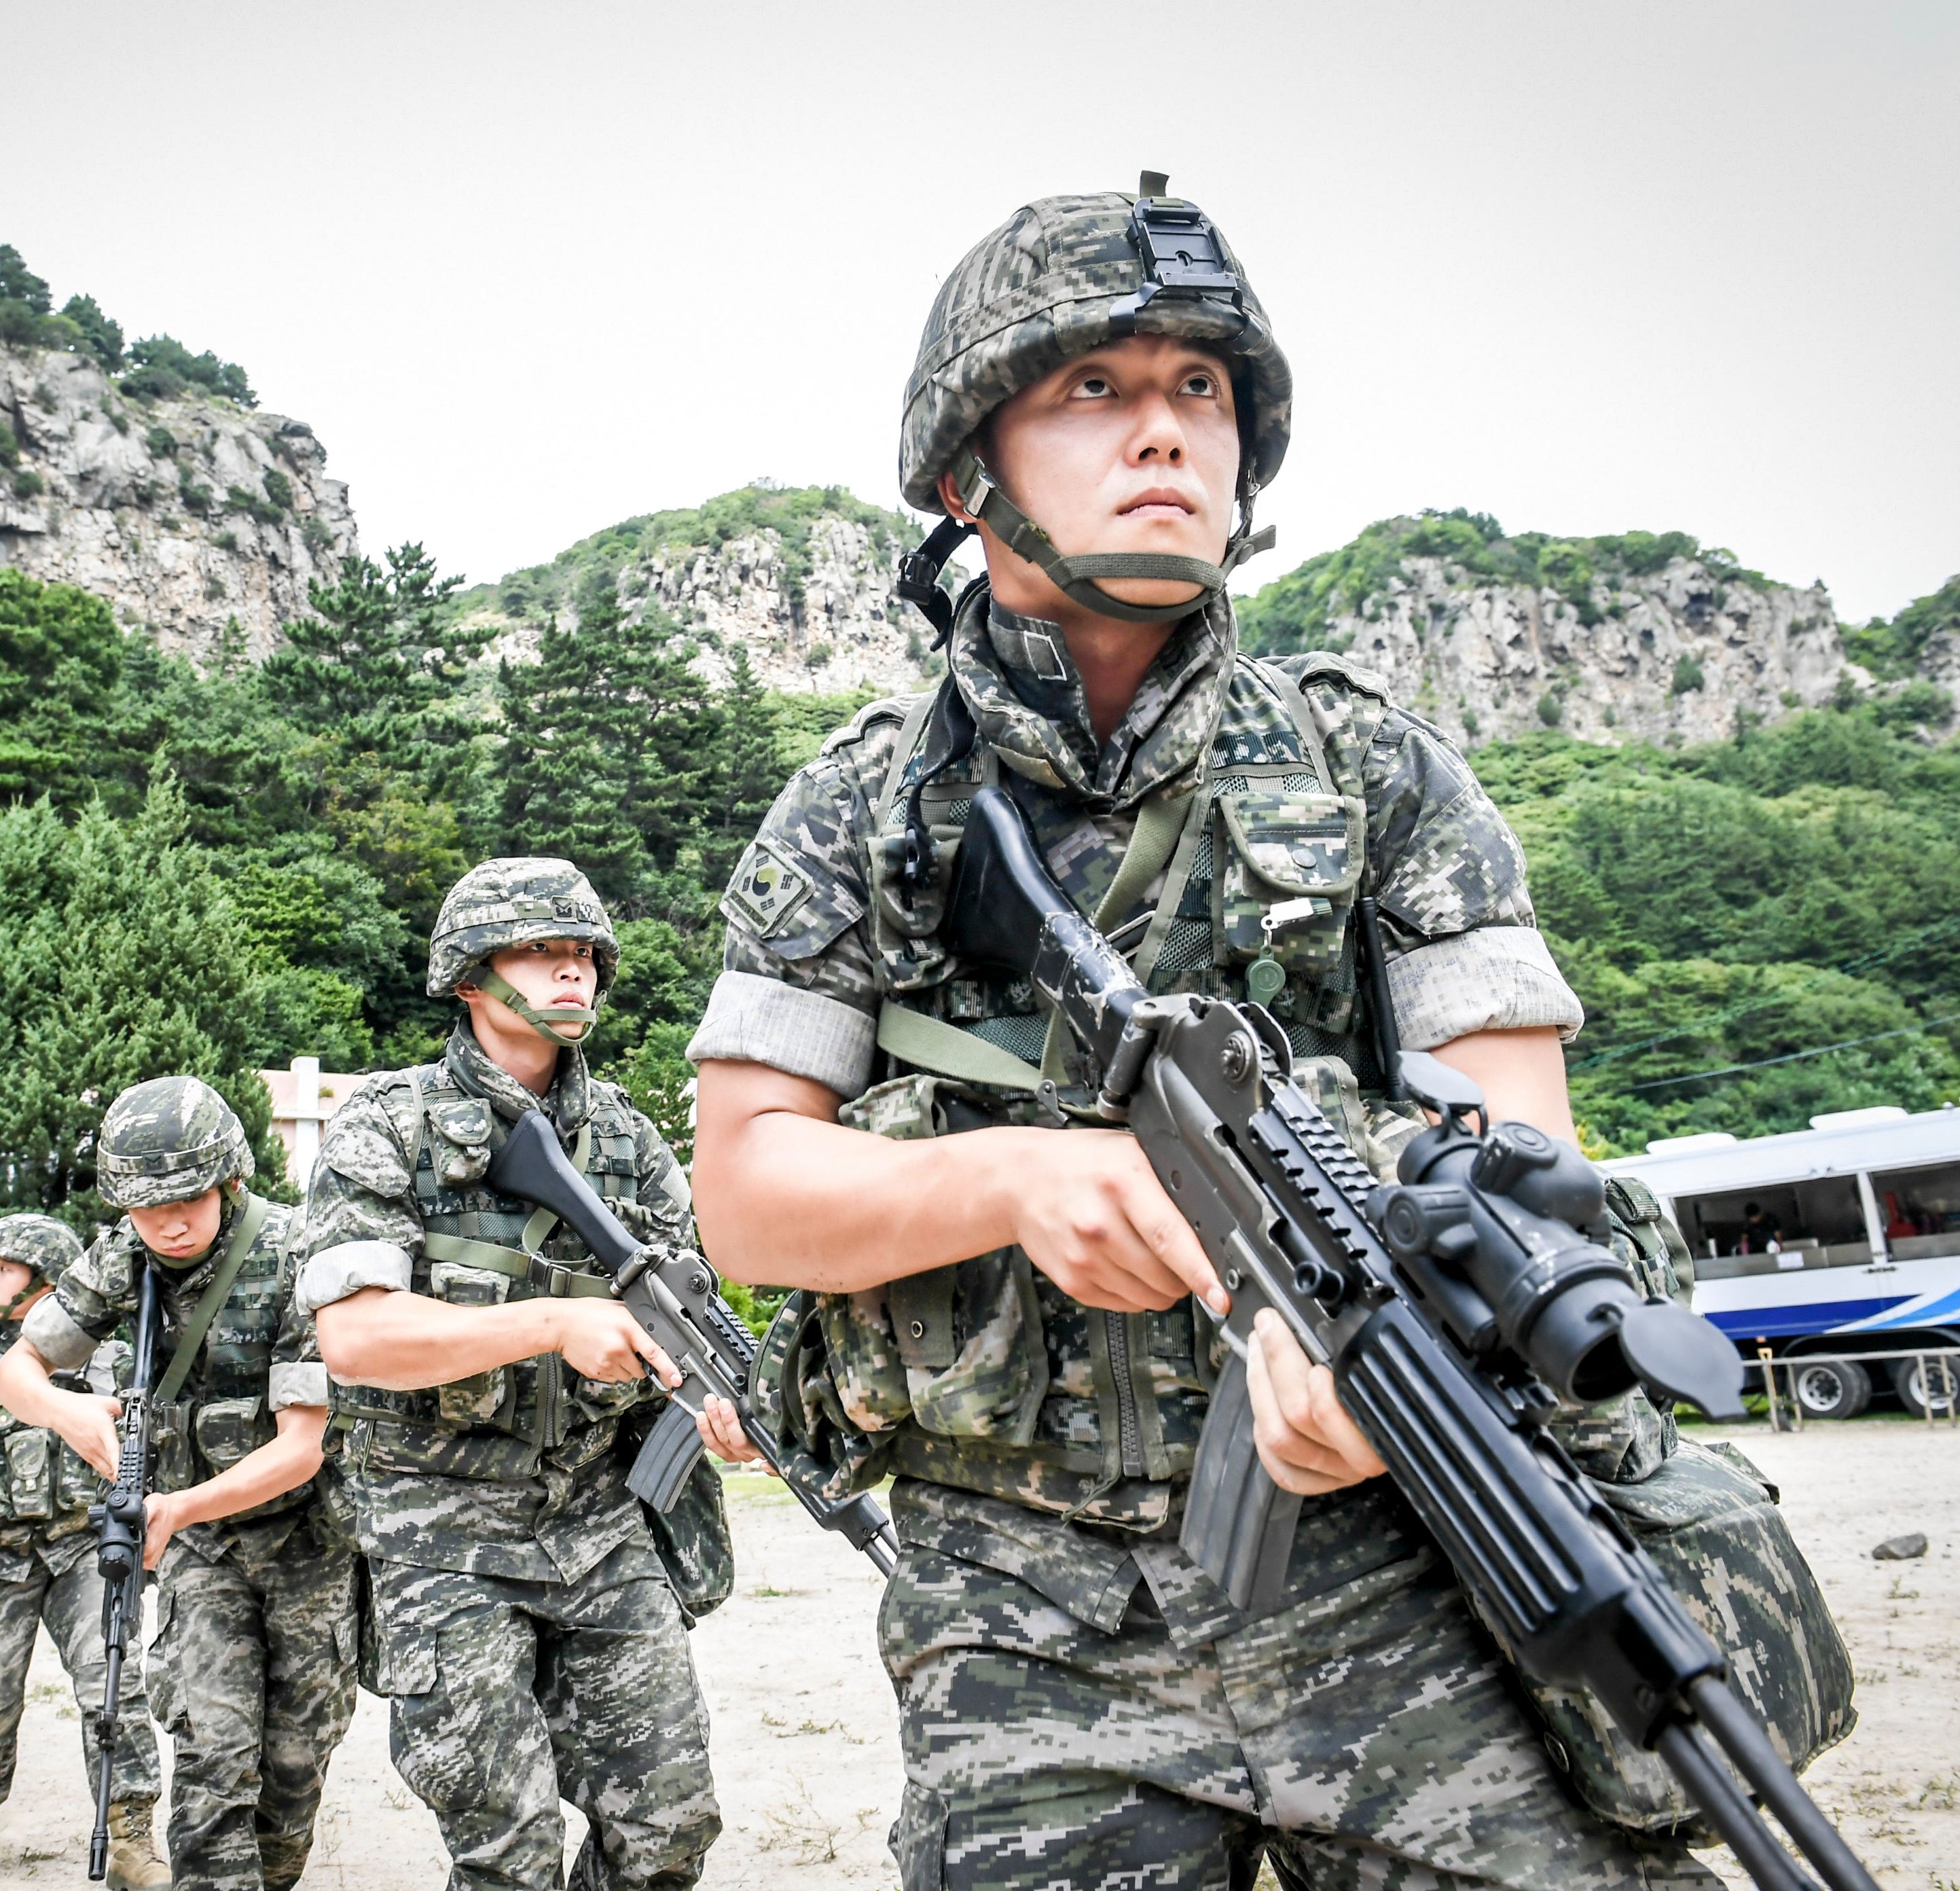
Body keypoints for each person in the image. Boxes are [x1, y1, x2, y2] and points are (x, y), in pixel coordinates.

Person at [687, 184, 1715, 1888]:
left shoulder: (1378, 773)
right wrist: (1012, 1180)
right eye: (1093, 387)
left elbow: (1532, 1162)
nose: (1164, 430)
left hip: (1394, 1560)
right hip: (1020, 1606)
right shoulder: (856, 810)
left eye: (1201, 390)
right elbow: (742, 1194)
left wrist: (1398, 1378)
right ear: (965, 472)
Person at [300, 857, 755, 1891]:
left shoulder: (628, 1140)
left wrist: (719, 1406)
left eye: (584, 953)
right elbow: (355, 1338)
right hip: (440, 1531)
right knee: (507, 1854)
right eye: (540, 953)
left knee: (669, 1834)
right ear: (470, 977)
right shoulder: (387, 1125)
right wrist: (552, 1323)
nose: (572, 972)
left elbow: (684, 1327)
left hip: (599, 1523)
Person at [0, 1077, 354, 1891]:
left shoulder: (298, 1253)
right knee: (212, 1755)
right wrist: (64, 1412)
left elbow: (302, 1447)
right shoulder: (122, 1255)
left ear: (230, 1179)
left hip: (306, 1543)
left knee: (295, 1765)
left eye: (188, 1199)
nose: (170, 1223)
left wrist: (176, 1506)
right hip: (202, 1551)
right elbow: (14, 1369)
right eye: (148, 1207)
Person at [0, 1214, 168, 1889]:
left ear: (47, 1279)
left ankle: (131, 1831)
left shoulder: (107, 1356)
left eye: (6, 1268)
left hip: (84, 1547)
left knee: (112, 1685)